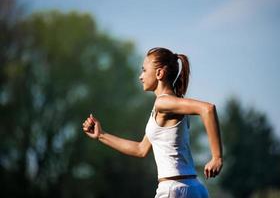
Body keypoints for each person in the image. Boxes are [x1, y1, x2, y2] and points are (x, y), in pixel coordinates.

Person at [82, 47, 223, 198]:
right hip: (195, 188)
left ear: (159, 73)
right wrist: (101, 135)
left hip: (173, 189)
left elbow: (207, 109)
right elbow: (140, 149)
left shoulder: (163, 103)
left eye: (144, 70)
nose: (140, 76)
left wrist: (217, 157)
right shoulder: (166, 106)